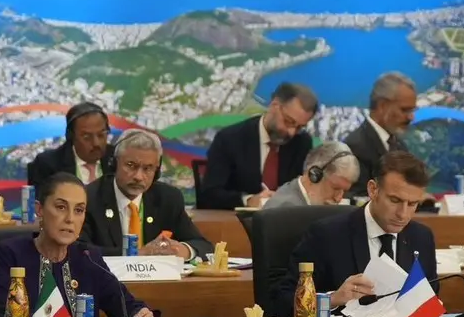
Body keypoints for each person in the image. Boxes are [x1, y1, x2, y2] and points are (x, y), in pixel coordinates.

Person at [0, 173, 155, 317]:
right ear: (39, 209)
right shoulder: (13, 253)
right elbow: (0, 312)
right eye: (61, 207)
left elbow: (124, 304)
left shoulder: (87, 257)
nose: (70, 219)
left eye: (79, 210)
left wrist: (140, 314)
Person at [276, 151, 438, 317]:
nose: (403, 214)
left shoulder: (422, 238)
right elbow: (282, 301)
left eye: (412, 204)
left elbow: (428, 308)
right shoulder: (326, 236)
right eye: (395, 200)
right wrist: (333, 299)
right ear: (373, 189)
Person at [80, 129, 212, 259]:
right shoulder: (89, 198)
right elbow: (80, 250)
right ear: (114, 164)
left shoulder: (168, 198)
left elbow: (203, 246)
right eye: (131, 165)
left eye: (147, 168)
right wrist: (137, 254)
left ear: (157, 172)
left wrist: (181, 250)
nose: (138, 176)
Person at [198, 82, 318, 210]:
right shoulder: (230, 138)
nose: (292, 132)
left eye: (299, 127)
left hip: (284, 223)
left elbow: (304, 189)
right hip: (236, 223)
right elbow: (209, 194)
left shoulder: (301, 142)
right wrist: (248, 200)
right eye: (288, 122)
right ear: (274, 105)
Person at [344, 72, 417, 191]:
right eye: (405, 110)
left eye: (412, 110)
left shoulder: (400, 146)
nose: (411, 117)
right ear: (382, 106)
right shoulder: (355, 148)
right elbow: (359, 200)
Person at [27, 102, 113, 188]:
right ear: (71, 136)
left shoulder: (117, 157)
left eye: (101, 135)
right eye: (87, 137)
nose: (96, 143)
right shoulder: (48, 165)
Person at [262, 141, 360, 210]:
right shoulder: (283, 210)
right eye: (335, 188)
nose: (338, 199)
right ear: (314, 175)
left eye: (344, 191)